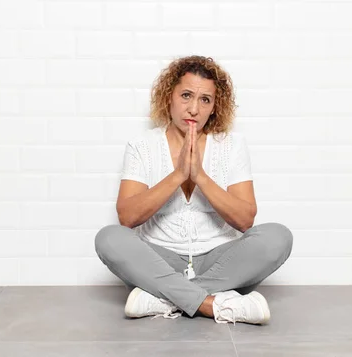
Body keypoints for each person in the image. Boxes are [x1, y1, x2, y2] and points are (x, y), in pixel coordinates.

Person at [95, 55, 293, 325]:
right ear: (169, 97)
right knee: (109, 238)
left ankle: (164, 298)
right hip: (160, 259)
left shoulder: (230, 145)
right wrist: (177, 175)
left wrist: (199, 176)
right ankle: (215, 304)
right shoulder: (141, 145)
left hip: (220, 261)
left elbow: (246, 219)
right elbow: (127, 217)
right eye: (186, 95)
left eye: (205, 100)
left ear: (214, 107)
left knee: (278, 237)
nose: (194, 109)